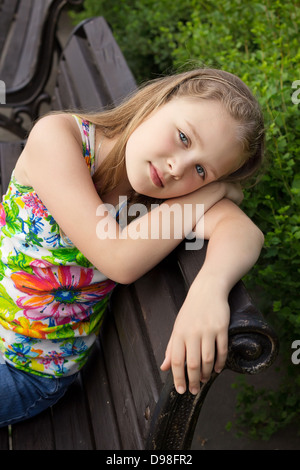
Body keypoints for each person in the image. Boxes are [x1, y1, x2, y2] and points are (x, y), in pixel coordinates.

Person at [0, 68, 265, 427]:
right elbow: (117, 257)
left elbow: (245, 233)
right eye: (184, 137)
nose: (177, 167)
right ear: (159, 102)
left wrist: (209, 289)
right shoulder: (58, 138)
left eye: (202, 170)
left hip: (24, 369)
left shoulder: (154, 206)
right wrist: (213, 189)